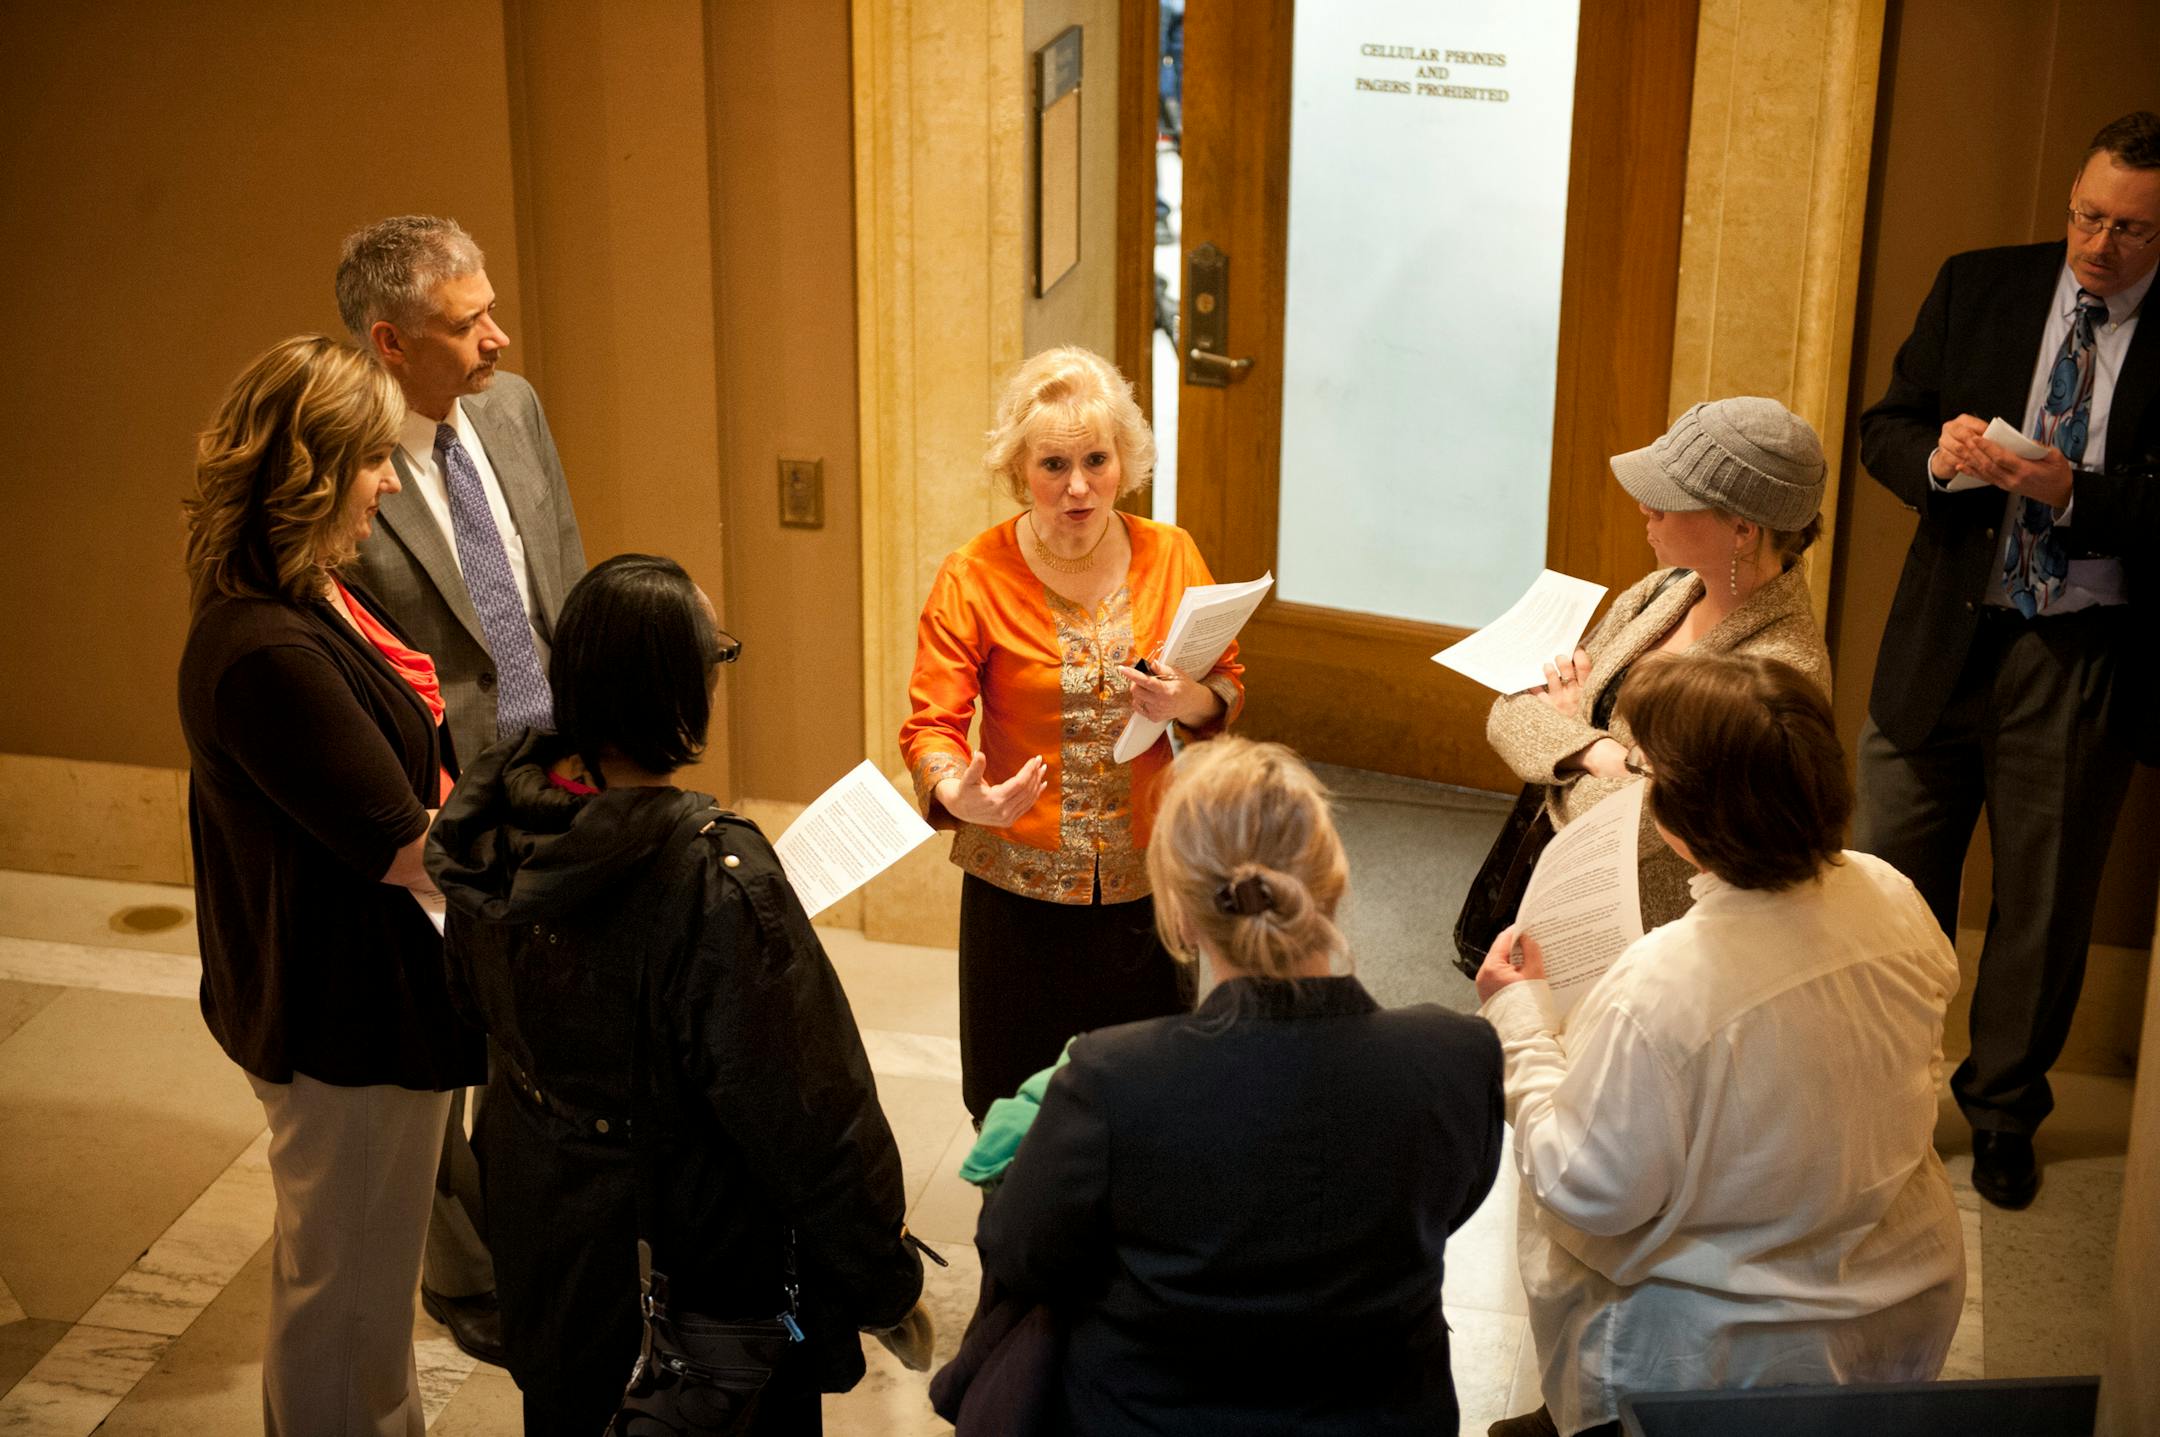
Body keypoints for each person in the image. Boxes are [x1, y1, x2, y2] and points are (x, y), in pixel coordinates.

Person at [425, 553, 928, 1437]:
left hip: (546, 1229)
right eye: (716, 656)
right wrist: (883, 1273)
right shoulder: (710, 876)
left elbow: (472, 1009)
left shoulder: (498, 821)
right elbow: (808, 1112)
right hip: (690, 1278)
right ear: (680, 689)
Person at [1478, 653, 1965, 1437]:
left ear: (1692, 817)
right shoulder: (1893, 893)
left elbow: (1585, 1184)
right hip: (1893, 1307)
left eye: (1649, 773)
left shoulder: (1665, 984)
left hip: (1715, 1359)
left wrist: (1520, 1019)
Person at [976, 737, 1505, 1434]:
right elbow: (1448, 1202)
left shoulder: (1110, 1079)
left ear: (1181, 916)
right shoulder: (1459, 1053)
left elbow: (1020, 1253)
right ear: (1333, 882)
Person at [1853, 110, 2160, 1211]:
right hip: (1945, 637)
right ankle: (1880, 1103)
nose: (2098, 245)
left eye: (2128, 229)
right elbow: (1881, 426)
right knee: (1883, 886)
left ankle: (2001, 1117)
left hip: (2077, 652)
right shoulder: (1980, 283)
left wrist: (2077, 493)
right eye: (2087, 214)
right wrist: (1935, 461)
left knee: (2040, 907)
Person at [178, 335, 482, 1436]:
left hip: (382, 992)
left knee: (363, 1302)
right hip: (343, 1020)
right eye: (372, 461)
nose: (392, 481)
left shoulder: (319, 597)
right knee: (341, 1304)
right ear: (308, 469)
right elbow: (406, 848)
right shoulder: (266, 651)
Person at [336, 213, 589, 1355]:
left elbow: (561, 571)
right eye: (464, 322)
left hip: (556, 771)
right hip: (436, 807)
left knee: (550, 1019)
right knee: (450, 1038)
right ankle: (465, 1273)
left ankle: (551, 1223)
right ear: (390, 343)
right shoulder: (334, 457)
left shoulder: (514, 405)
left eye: (490, 308)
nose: (496, 338)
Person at [900, 345, 1245, 1121]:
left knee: (1145, 1102)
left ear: (1126, 458)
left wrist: (1185, 697)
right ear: (1018, 469)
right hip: (1015, 887)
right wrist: (960, 790)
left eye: (1097, 458)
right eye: (1054, 464)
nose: (1079, 487)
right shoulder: (972, 575)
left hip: (1144, 881)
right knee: (1014, 1108)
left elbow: (1223, 684)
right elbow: (932, 723)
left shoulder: (1172, 554)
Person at [1486, 396, 1830, 930]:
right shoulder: (1664, 590)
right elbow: (1508, 710)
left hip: (1650, 929)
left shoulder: (1779, 668)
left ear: (1743, 530)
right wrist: (1603, 753)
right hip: (1559, 883)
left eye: (1669, 499)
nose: (1647, 509)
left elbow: (1626, 822)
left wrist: (1566, 732)